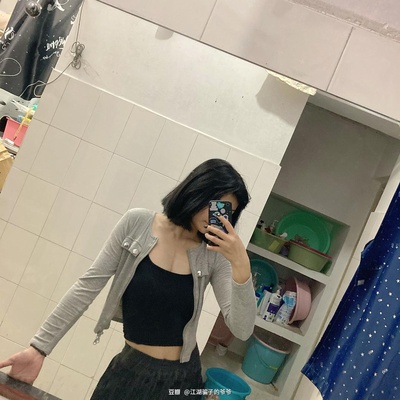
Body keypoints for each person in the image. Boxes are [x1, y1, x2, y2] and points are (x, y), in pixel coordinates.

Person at [0, 158, 257, 399]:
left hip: (181, 381)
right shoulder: (137, 224)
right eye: (216, 206)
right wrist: (39, 348)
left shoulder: (214, 254)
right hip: (129, 372)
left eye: (227, 212)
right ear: (197, 191)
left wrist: (241, 265)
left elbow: (242, 329)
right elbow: (86, 287)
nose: (218, 218)